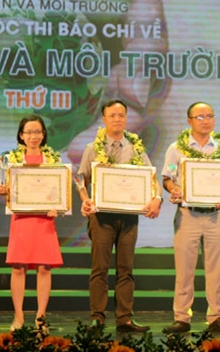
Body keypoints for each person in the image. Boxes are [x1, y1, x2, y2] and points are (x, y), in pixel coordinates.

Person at [77, 100, 162, 333]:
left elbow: (152, 178)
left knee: (126, 269)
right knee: (100, 268)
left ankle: (124, 318)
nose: (117, 119)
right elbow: (80, 178)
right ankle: (97, 317)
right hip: (101, 217)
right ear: (104, 119)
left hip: (128, 218)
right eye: (112, 115)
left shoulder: (136, 148)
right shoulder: (92, 148)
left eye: (121, 115)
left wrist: (157, 198)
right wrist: (85, 198)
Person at [162, 102, 220, 334]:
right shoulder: (176, 148)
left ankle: (216, 316)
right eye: (200, 117)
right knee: (184, 269)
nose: (205, 121)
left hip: (216, 215)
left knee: (216, 269)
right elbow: (167, 177)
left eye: (209, 116)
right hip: (188, 215)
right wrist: (174, 188)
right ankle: (182, 317)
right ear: (189, 121)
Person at [0, 115, 64, 333]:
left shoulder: (52, 160)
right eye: (29, 132)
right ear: (21, 135)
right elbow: (7, 191)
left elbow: (59, 193)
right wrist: (2, 191)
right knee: (18, 267)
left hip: (44, 220)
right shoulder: (12, 161)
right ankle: (19, 316)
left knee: (44, 267)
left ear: (43, 134)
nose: (34, 136)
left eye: (38, 131)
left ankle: (41, 317)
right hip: (21, 219)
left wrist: (57, 206)